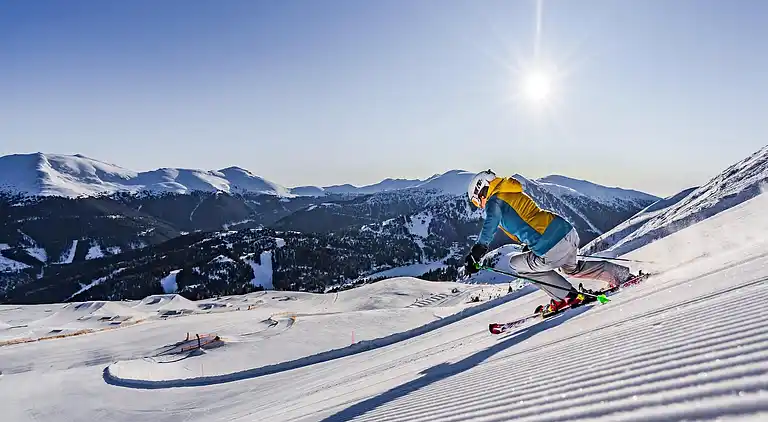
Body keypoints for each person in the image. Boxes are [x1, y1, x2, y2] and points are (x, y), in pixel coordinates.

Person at [463, 169, 639, 313]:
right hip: (568, 232)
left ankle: (566, 296)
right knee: (572, 268)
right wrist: (528, 243)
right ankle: (621, 275)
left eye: (476, 200)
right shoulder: (509, 191)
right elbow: (525, 218)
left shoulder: (494, 201)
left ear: (481, 190)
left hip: (550, 245)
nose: (479, 205)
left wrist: (476, 253)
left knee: (515, 264)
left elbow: (490, 225)